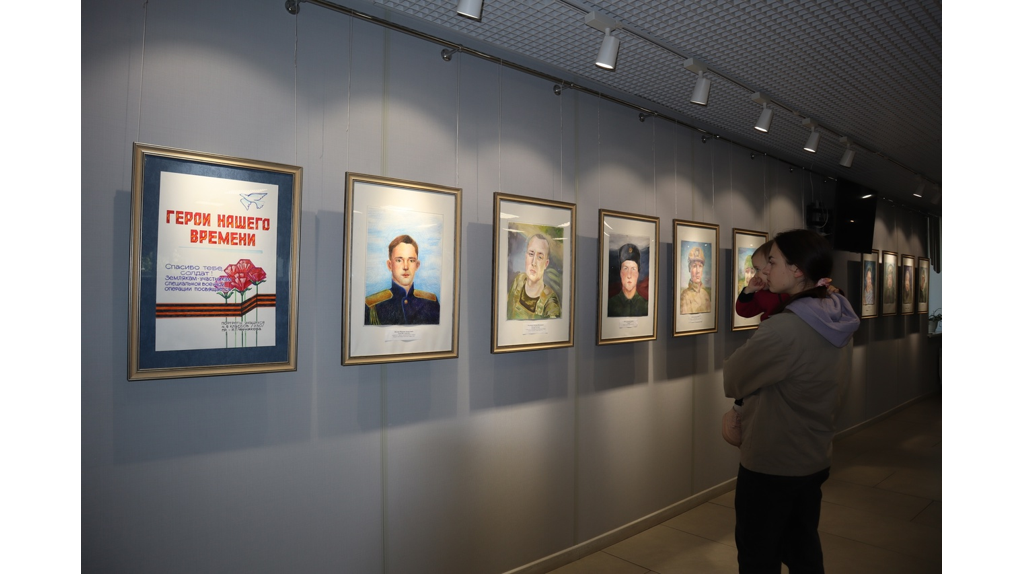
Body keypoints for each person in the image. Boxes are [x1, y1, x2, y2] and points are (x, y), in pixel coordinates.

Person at [723, 229, 860, 574]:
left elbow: (734, 377)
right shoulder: (836, 312)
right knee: (802, 549)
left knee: (758, 556)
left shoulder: (785, 328)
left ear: (797, 269)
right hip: (813, 453)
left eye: (772, 261)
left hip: (773, 460)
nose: (765, 270)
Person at [365, 235, 440, 325]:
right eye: (399, 260)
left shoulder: (431, 302)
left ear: (417, 265)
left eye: (411, 260)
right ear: (389, 265)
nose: (405, 267)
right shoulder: (372, 306)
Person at [508, 233, 561, 320]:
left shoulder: (550, 303)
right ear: (526, 257)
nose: (533, 262)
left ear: (546, 264)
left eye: (540, 257)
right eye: (531, 254)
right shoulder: (518, 281)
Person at [735, 241, 789, 321]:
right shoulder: (763, 295)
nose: (755, 275)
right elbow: (744, 311)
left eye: (757, 269)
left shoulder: (791, 293)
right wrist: (749, 291)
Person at [608, 243, 648, 317]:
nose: (629, 275)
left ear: (638, 273)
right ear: (620, 272)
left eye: (633, 269)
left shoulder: (646, 306)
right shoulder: (610, 305)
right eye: (625, 268)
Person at [680, 246, 712, 314]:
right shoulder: (685, 296)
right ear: (689, 269)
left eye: (700, 266)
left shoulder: (706, 295)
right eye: (694, 266)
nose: (698, 271)